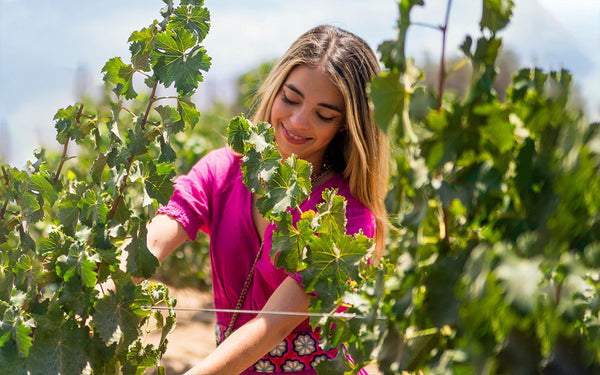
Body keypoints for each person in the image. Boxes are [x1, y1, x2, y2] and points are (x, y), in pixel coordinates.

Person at [145, 25, 389, 375]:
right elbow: (159, 234)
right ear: (275, 90)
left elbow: (272, 326)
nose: (298, 121)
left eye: (324, 114)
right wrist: (108, 288)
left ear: (346, 126)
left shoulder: (346, 213)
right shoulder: (222, 170)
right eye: (290, 98)